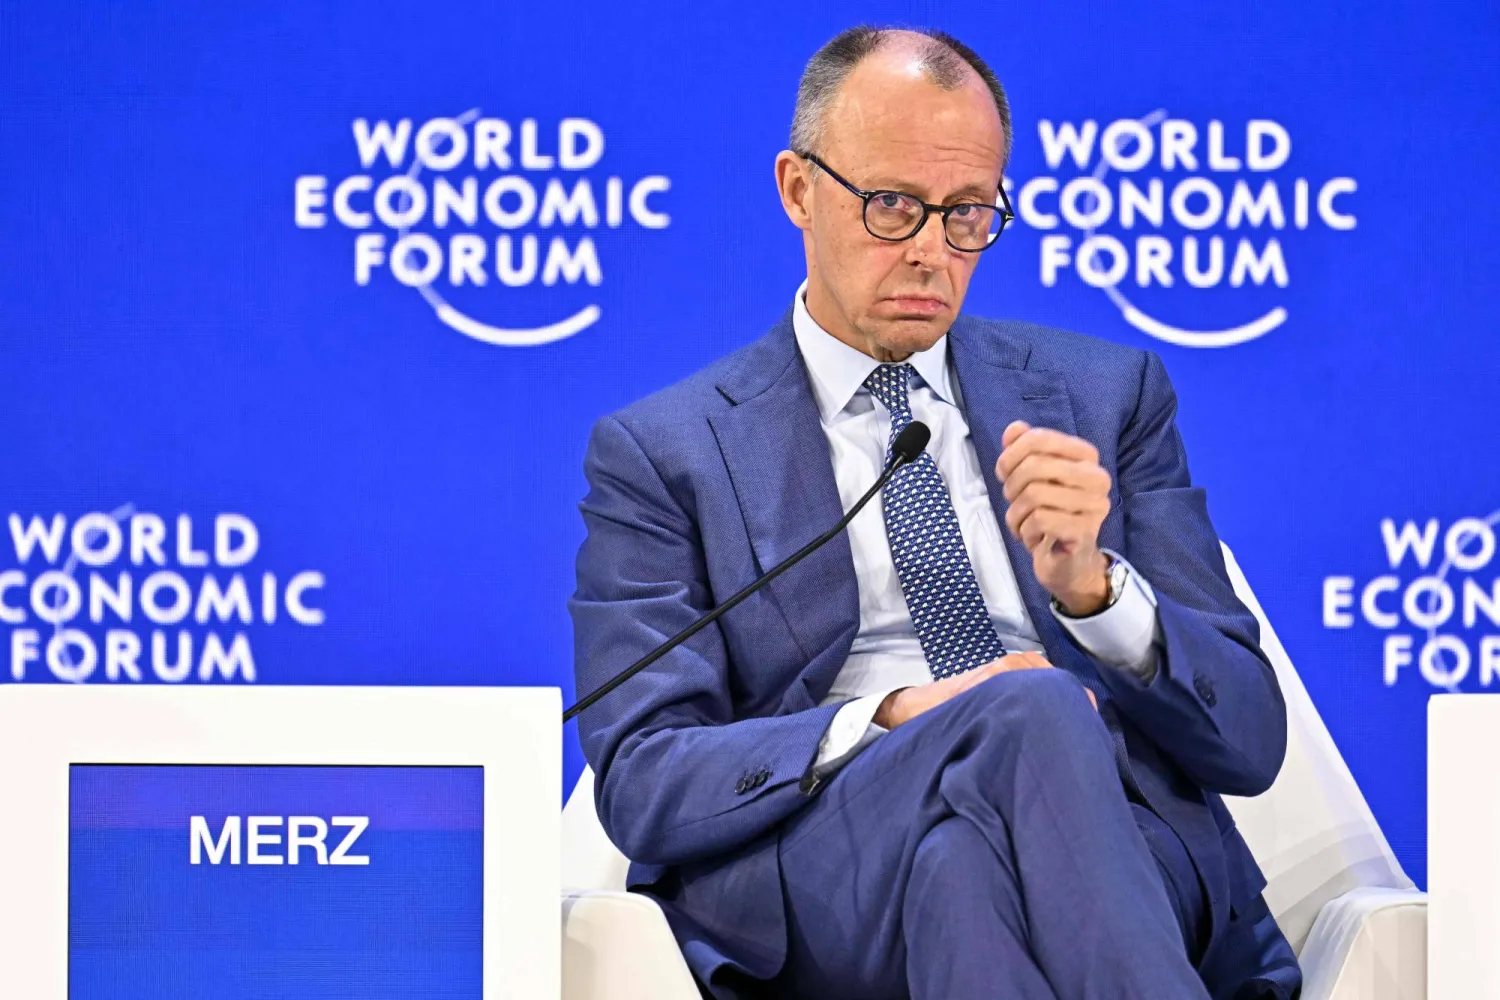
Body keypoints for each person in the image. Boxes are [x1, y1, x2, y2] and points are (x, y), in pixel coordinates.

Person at [569, 24, 1301, 1000]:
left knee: (959, 867)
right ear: (797, 189)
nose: (930, 252)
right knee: (1031, 702)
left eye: (967, 214)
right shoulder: (666, 452)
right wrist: (891, 716)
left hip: (1109, 847)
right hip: (821, 865)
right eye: (891, 206)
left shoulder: (1106, 394)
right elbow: (644, 776)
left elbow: (1247, 740)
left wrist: (1094, 594)